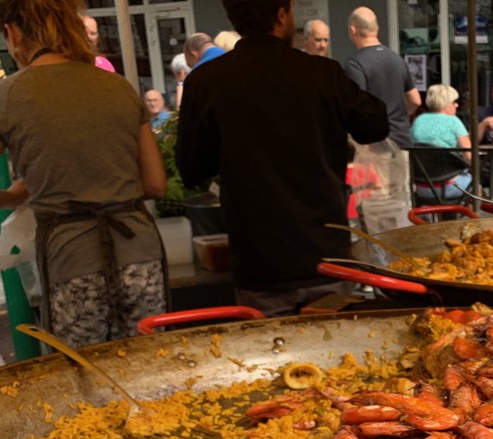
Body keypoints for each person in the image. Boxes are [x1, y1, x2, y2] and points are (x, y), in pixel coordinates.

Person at [0, 0, 167, 347]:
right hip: (139, 252)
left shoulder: (7, 96)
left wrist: (14, 196)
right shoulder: (119, 87)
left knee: (81, 375)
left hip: (71, 258)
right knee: (148, 367)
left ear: (13, 32)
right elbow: (155, 183)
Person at [176, 0, 388, 314]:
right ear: (282, 13)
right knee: (337, 356)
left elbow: (192, 168)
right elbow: (375, 125)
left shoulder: (205, 82)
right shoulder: (321, 73)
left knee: (272, 359)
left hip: (259, 264)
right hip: (326, 257)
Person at [345, 7, 419, 148]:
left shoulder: (355, 65)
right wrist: (401, 116)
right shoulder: (397, 59)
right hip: (402, 142)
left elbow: (358, 108)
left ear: (352, 30)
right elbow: (415, 100)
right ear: (376, 29)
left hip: (374, 147)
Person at [410, 83, 472, 198]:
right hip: (448, 187)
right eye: (454, 102)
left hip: (421, 188)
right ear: (446, 103)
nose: (457, 105)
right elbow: (470, 156)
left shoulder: (418, 121)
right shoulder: (454, 121)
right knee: (475, 183)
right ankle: (472, 214)